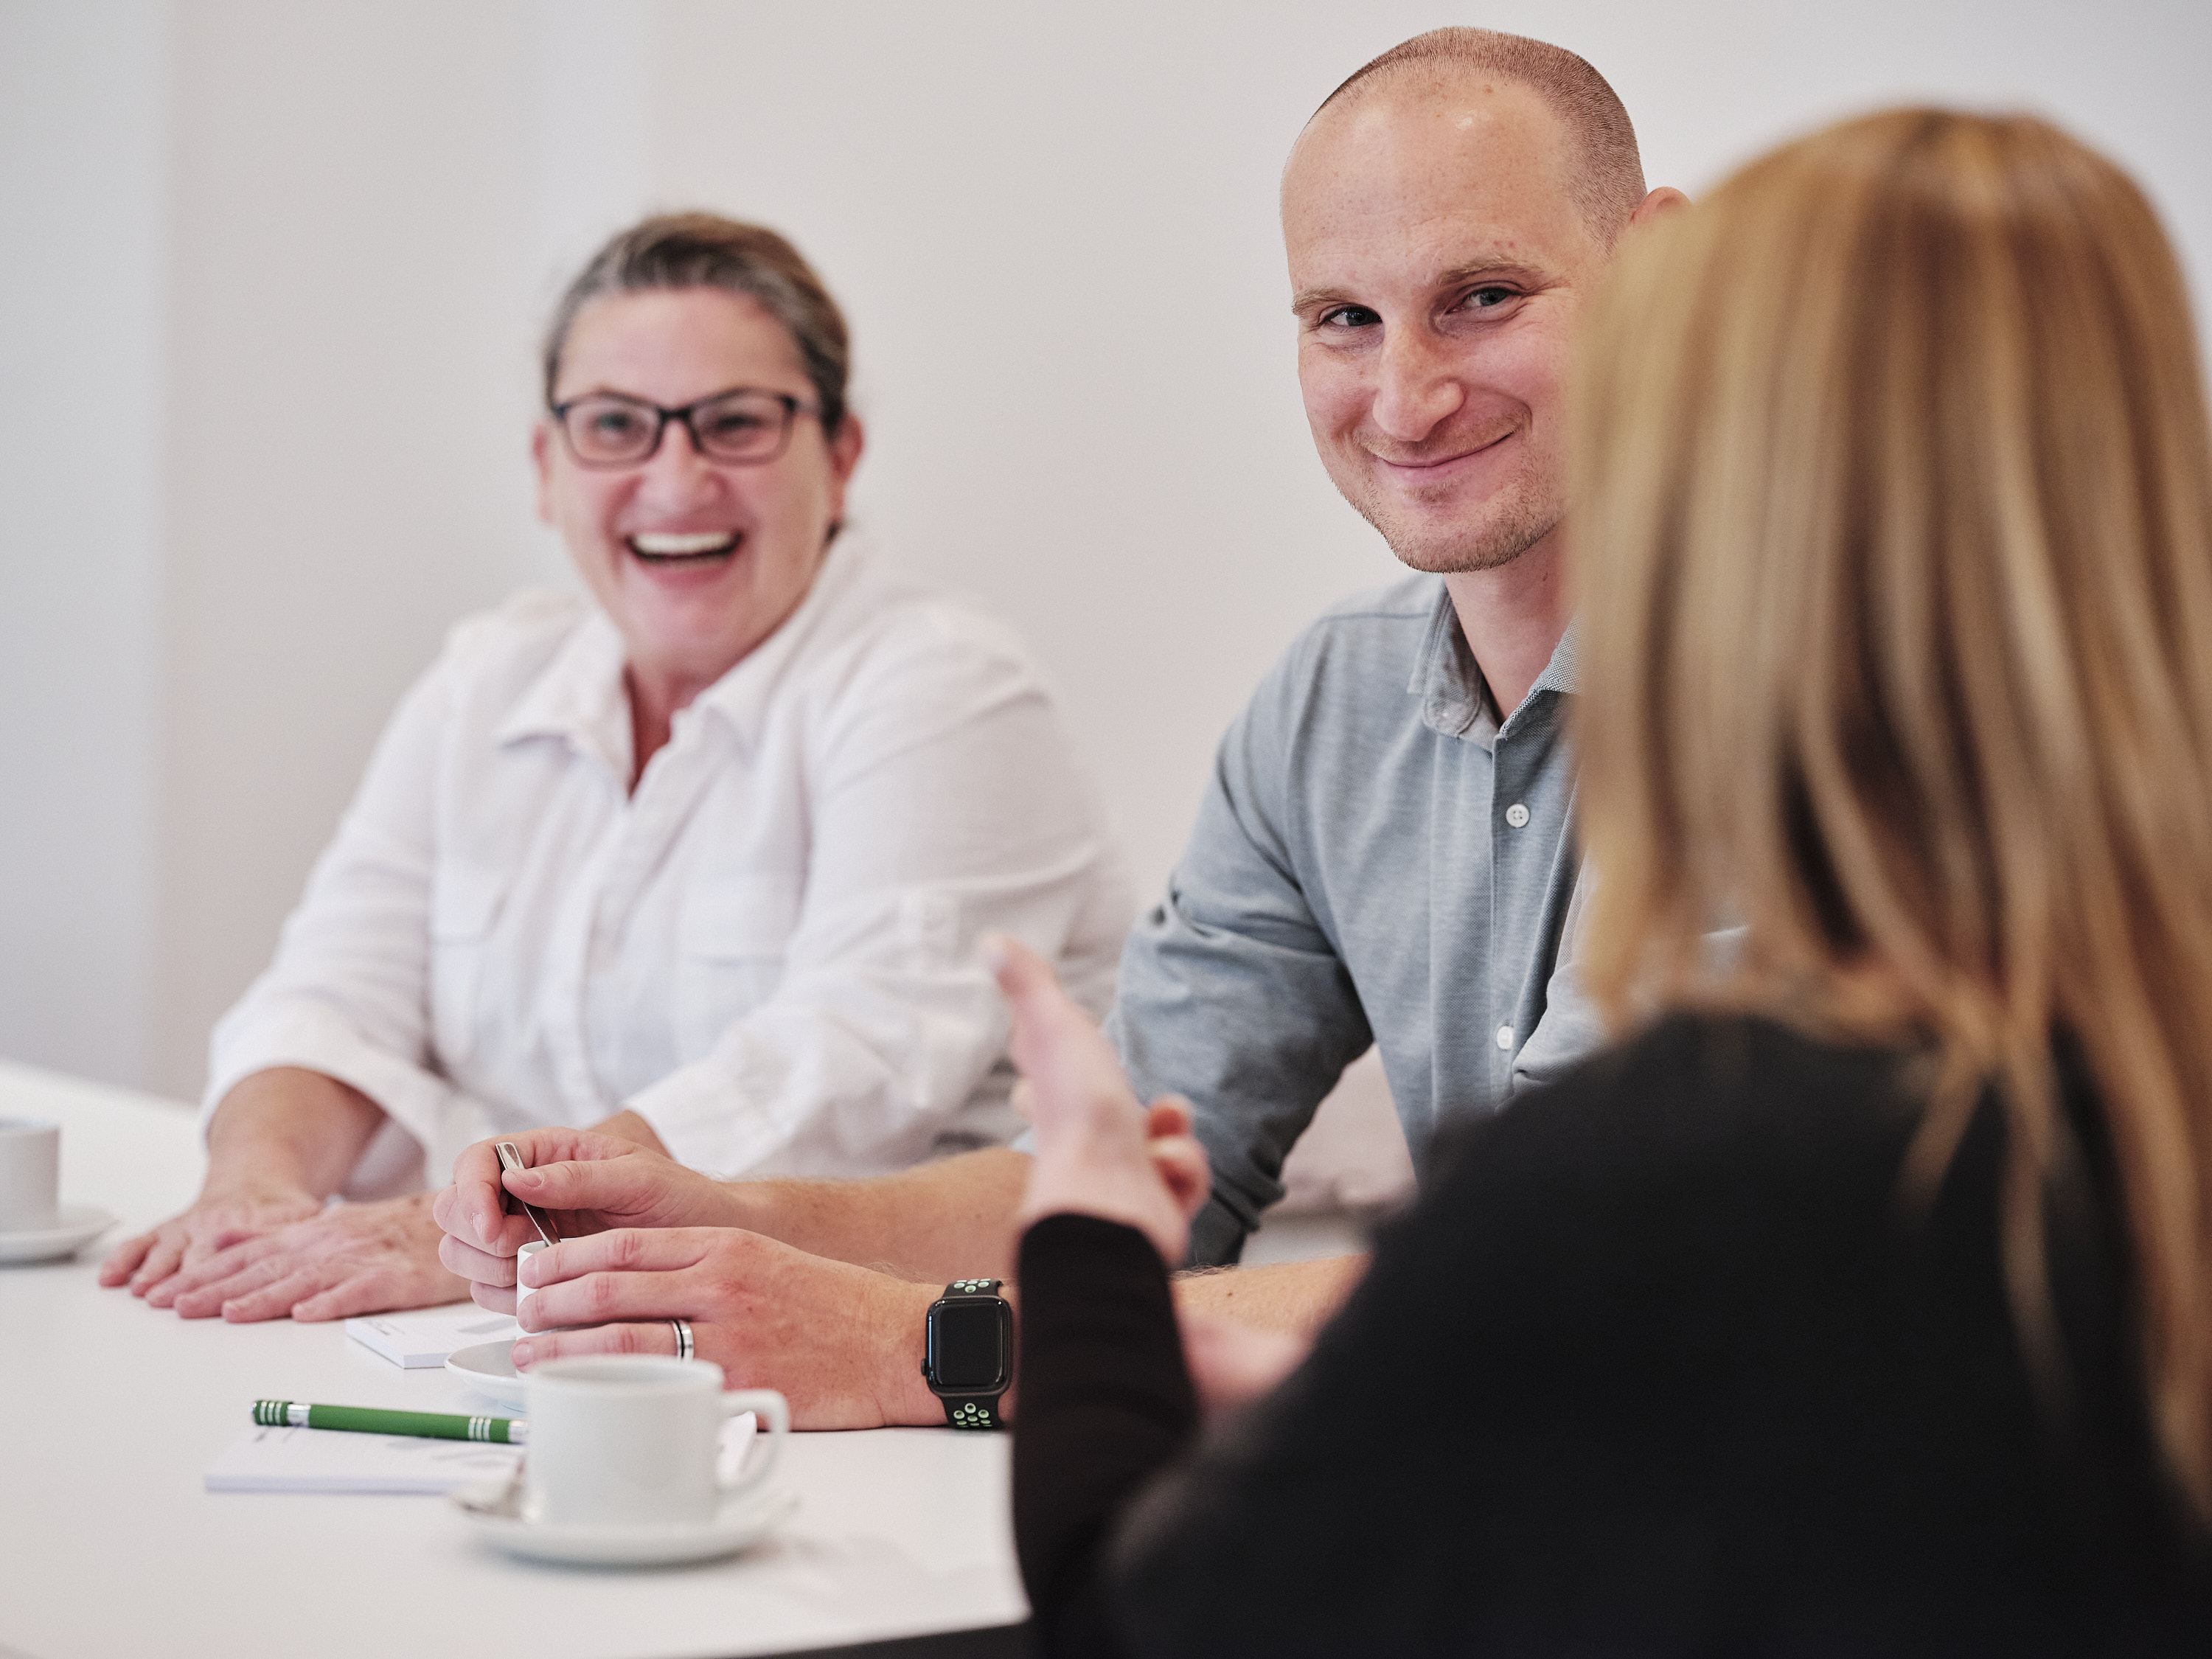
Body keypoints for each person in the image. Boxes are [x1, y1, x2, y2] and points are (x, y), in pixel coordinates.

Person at [1005, 107, 2212, 1655]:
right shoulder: (2119, 1073)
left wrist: (1094, 1240)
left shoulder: (1693, 1150)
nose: (1413, 395)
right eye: (1344, 319)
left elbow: (1132, 1615)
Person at [432, 29, 1690, 1425]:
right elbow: (1125, 1178)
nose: (1403, 396)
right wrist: (728, 1216)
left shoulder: (1813, 694)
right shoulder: (1331, 708)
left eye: (1483, 295)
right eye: (1342, 317)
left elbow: (1570, 1276)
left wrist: (903, 1340)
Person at [97, 214, 1130, 1325]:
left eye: (735, 423)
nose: (675, 480)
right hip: (553, 1319)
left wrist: (473, 1234)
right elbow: (335, 992)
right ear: (547, 468)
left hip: (903, 1331)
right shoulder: (484, 679)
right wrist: (253, 1193)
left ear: (840, 456)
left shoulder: (947, 687)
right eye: (616, 427)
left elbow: (844, 1063)